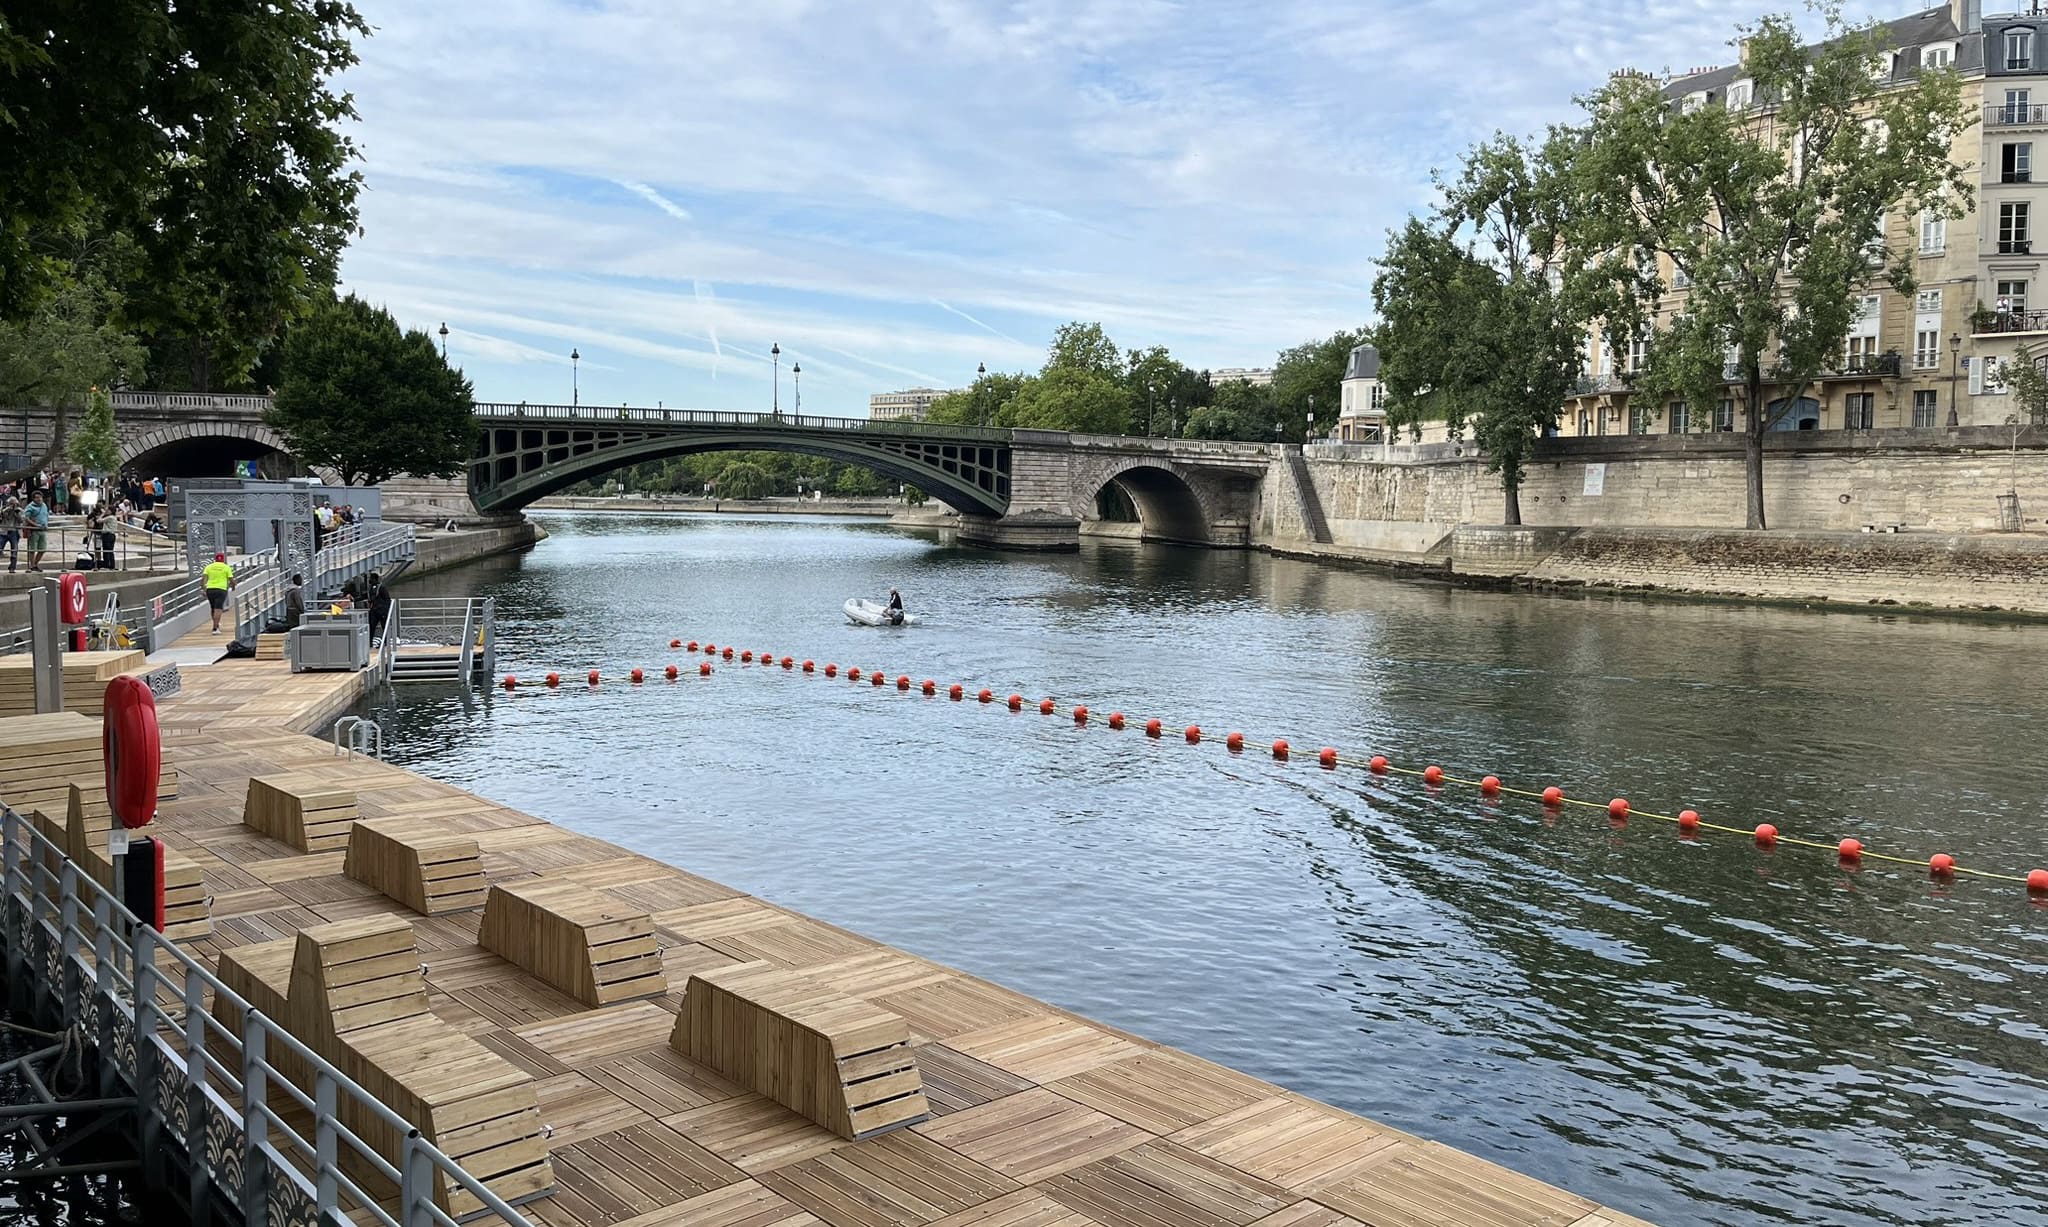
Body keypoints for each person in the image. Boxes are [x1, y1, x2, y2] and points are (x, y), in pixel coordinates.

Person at [203, 551, 235, 633]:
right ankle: (215, 628)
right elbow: (231, 579)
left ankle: (216, 624)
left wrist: (204, 589)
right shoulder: (226, 567)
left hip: (210, 589)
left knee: (213, 608)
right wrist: (233, 586)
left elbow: (203, 579)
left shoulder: (209, 567)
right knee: (218, 609)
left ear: (215, 559)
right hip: (221, 589)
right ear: (223, 559)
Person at [23, 490, 49, 572]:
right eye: (37, 497)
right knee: (32, 549)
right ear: (33, 499)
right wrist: (35, 525)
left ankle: (35, 564)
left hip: (43, 530)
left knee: (42, 549)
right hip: (34, 531)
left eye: (40, 497)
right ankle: (32, 565)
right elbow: (26, 518)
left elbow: (46, 515)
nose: (39, 499)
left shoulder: (44, 505)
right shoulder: (30, 507)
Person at [0, 497, 19, 573]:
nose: (12, 505)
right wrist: (6, 510)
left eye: (14, 504)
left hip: (14, 531)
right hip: (3, 531)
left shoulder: (18, 510)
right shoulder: (4, 510)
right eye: (11, 503)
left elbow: (21, 520)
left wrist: (16, 513)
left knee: (14, 550)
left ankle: (12, 567)